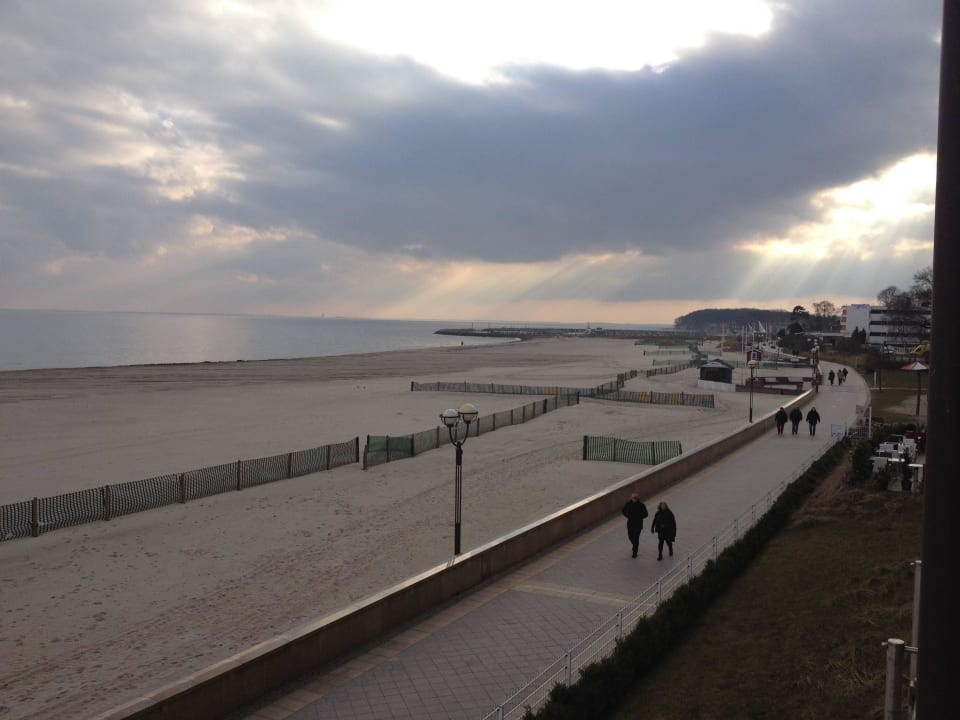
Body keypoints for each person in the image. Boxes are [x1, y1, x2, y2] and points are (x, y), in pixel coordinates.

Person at [622, 492, 648, 558]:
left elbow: (646, 514)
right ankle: (635, 545)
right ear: (631, 498)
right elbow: (623, 511)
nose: (634, 499)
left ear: (637, 498)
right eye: (633, 498)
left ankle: (635, 552)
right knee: (630, 536)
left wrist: (639, 517)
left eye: (635, 498)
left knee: (636, 538)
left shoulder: (641, 505)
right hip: (630, 524)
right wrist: (628, 516)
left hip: (638, 525)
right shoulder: (628, 504)